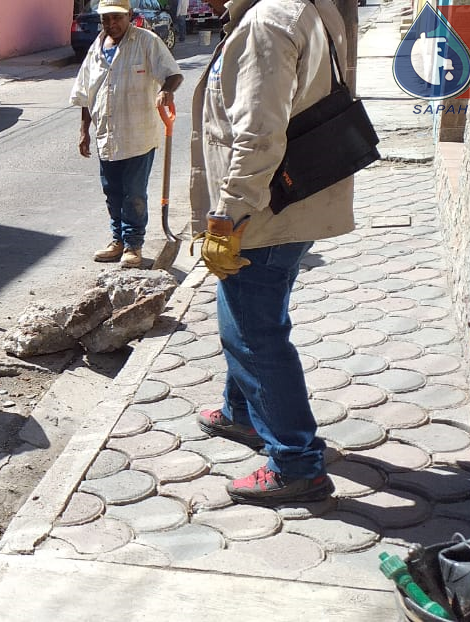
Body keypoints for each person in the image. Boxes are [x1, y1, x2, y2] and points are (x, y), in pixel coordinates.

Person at [189, 0, 352, 506]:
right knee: (248, 318)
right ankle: (241, 413)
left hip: (262, 212)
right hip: (286, 202)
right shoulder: (303, 7)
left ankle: (296, 462)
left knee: (255, 335)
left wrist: (228, 216)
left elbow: (259, 135)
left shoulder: (267, 21)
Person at [70, 0, 183, 269]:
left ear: (129, 16)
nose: (111, 24)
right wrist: (84, 131)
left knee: (134, 193)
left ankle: (134, 245)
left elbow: (174, 74)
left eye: (117, 18)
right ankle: (117, 241)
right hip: (107, 135)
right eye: (106, 19)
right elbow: (86, 94)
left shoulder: (147, 41)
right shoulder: (96, 49)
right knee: (113, 192)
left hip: (138, 135)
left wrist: (166, 90)